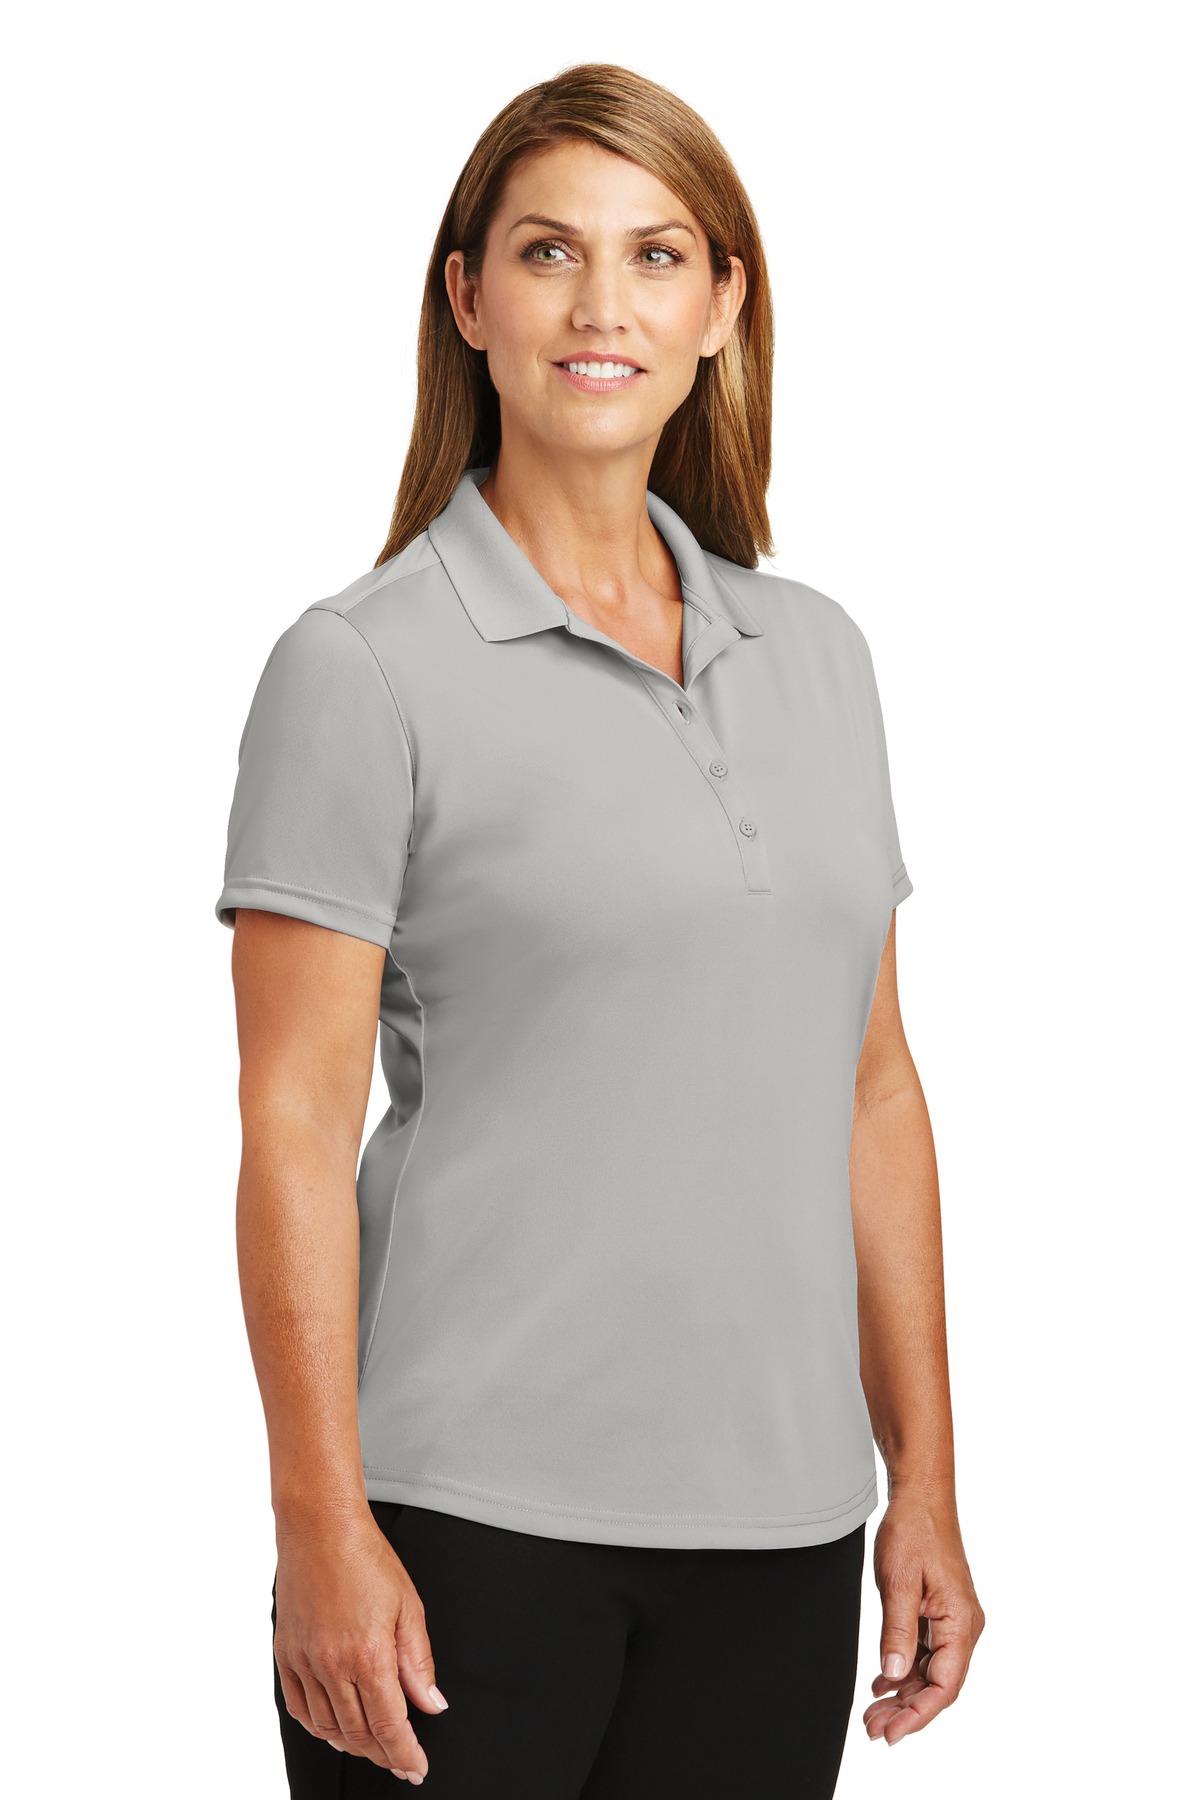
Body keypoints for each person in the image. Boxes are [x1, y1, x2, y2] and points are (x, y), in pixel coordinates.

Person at [214, 61, 984, 1798]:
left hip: (783, 1537)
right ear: (468, 298)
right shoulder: (360, 667)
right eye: (549, 252)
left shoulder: (819, 657)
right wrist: (317, 1525)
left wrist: (923, 1480)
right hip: (461, 1529)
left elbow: (871, 1089)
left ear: (723, 307)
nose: (600, 307)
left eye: (655, 256)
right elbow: (291, 1127)